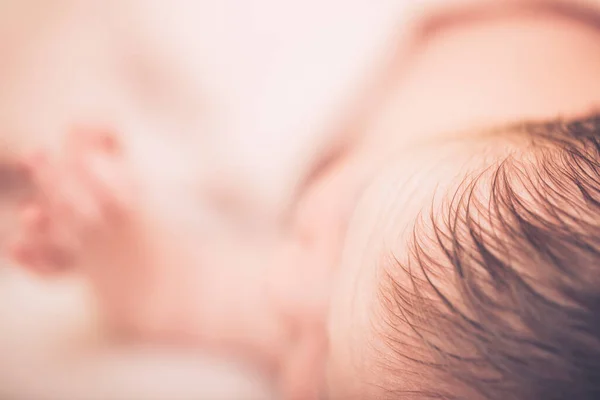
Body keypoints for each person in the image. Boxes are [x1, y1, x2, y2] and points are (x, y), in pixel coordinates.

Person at [6, 0, 600, 399]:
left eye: (309, 355)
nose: (282, 286)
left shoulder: (387, 347)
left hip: (316, 107)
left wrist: (113, 243)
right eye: (346, 227)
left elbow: (175, 289)